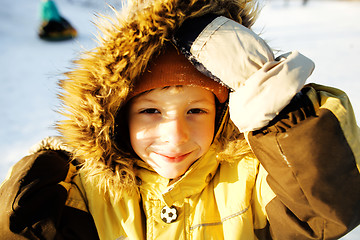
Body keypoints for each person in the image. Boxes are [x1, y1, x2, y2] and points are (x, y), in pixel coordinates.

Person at [1, 0, 360, 239]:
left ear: (224, 113)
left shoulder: (254, 178)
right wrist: (31, 188)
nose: (175, 135)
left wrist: (280, 111)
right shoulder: (85, 190)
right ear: (115, 117)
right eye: (151, 111)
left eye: (196, 110)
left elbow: (326, 210)